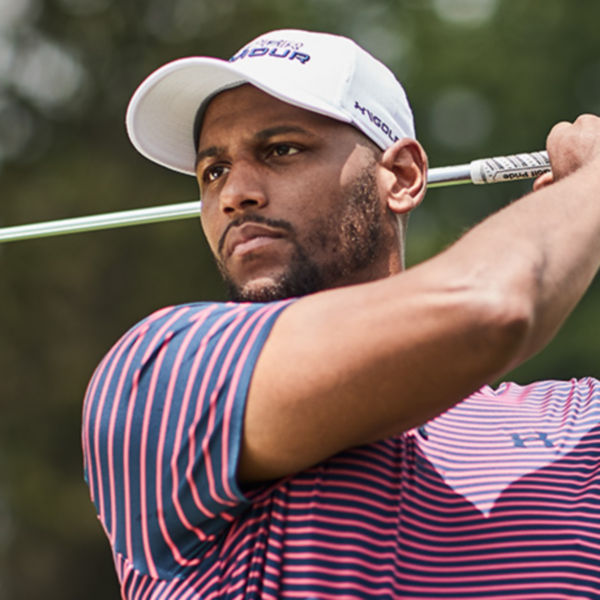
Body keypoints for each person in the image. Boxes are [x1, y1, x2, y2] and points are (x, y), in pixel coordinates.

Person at [82, 29, 600, 599]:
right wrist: (587, 195)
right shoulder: (158, 375)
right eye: (214, 171)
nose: (234, 195)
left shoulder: (577, 422)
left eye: (281, 150)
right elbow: (488, 308)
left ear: (400, 176)